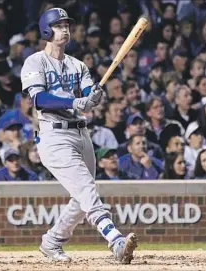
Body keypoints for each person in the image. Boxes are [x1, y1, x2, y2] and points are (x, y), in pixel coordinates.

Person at [20, 8, 137, 264]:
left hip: (81, 134)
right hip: (53, 136)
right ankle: (114, 239)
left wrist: (93, 96)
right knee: (86, 188)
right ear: (46, 30)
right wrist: (76, 101)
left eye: (66, 25)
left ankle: (53, 241)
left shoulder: (78, 64)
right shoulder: (35, 62)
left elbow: (86, 94)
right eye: (59, 25)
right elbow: (39, 99)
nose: (65, 29)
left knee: (81, 195)